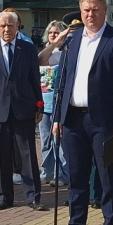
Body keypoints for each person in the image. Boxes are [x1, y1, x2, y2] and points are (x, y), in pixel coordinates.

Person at [53, 0, 113, 225]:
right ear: (80, 11)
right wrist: (57, 117)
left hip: (105, 122)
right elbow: (62, 80)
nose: (90, 14)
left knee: (108, 178)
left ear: (105, 11)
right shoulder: (72, 40)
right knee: (76, 178)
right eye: (86, 10)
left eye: (96, 10)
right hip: (73, 120)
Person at [0, 10, 46, 212]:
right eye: (3, 26)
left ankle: (33, 197)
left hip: (23, 109)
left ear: (17, 27)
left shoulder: (28, 49)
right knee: (3, 155)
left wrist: (38, 105)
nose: (7, 29)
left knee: (27, 154)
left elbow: (34, 79)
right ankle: (6, 197)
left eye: (10, 25)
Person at [38, 17, 75, 187]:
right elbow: (40, 60)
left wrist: (62, 40)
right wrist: (54, 44)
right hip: (44, 104)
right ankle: (47, 172)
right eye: (50, 33)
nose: (53, 35)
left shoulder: (67, 52)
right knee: (46, 141)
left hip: (59, 104)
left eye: (56, 32)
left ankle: (63, 174)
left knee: (59, 141)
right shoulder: (48, 51)